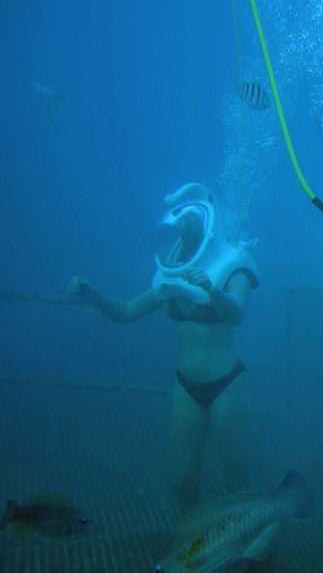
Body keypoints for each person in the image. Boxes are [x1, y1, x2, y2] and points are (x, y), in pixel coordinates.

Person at [68, 183, 259, 513]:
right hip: (186, 385)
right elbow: (126, 312)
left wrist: (212, 290)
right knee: (181, 482)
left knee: (236, 482)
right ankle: (193, 541)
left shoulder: (234, 269)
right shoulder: (173, 273)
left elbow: (237, 314)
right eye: (180, 231)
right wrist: (91, 293)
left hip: (227, 384)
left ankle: (251, 540)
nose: (183, 237)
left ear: (207, 231)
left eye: (190, 230)